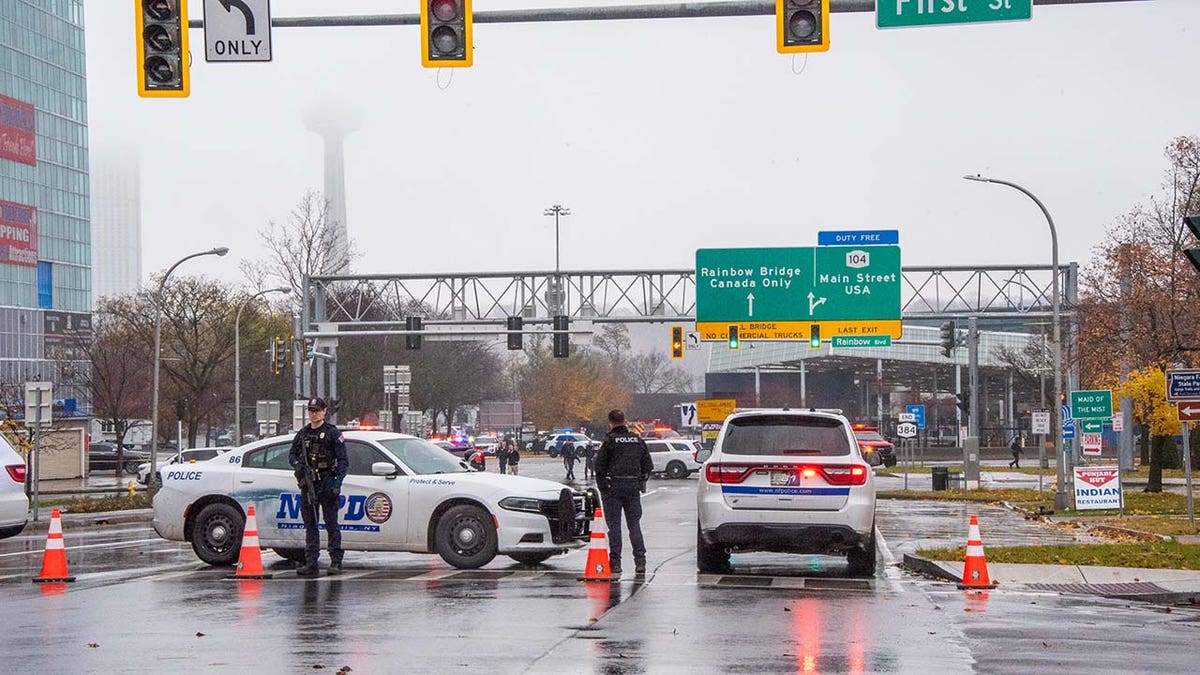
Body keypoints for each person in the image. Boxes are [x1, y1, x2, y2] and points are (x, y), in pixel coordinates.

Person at [288, 397, 349, 577]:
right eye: (311, 411)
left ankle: (336, 561)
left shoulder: (332, 433)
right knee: (311, 524)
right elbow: (292, 454)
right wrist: (298, 465)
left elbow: (343, 461)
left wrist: (337, 484)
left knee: (331, 523)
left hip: (326, 481)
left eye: (317, 411)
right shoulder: (303, 434)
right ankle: (311, 562)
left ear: (324, 412)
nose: (313, 414)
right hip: (309, 484)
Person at [595, 409, 654, 576]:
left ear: (611, 423)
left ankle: (615, 563)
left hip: (613, 487)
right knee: (634, 526)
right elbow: (648, 465)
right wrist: (640, 481)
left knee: (614, 527)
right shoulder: (637, 440)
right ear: (624, 421)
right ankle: (640, 562)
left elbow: (599, 466)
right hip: (632, 487)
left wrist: (603, 487)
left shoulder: (609, 441)